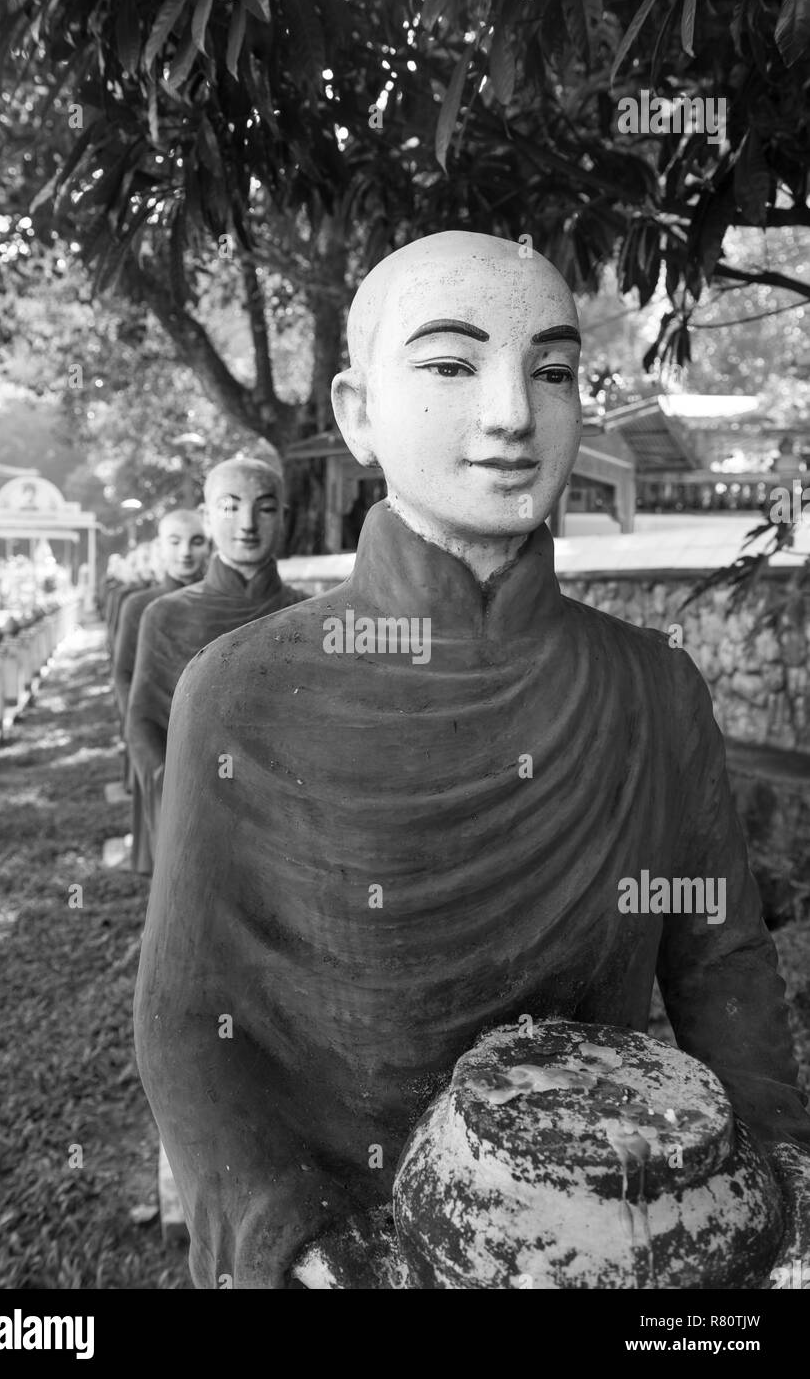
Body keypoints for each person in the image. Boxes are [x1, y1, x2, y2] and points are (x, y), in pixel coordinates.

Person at [135, 230, 810, 1290]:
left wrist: (782, 1188)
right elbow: (187, 1021)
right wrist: (305, 1247)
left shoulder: (652, 686)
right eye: (452, 365)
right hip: (354, 1244)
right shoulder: (241, 687)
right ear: (359, 414)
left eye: (551, 371)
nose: (510, 415)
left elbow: (722, 963)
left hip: (610, 1251)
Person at [126, 448, 303, 866]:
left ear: (283, 516)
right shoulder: (167, 615)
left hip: (286, 817)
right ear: (207, 518)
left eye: (264, 509)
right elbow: (143, 721)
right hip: (194, 810)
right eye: (230, 507)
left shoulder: (308, 613)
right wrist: (175, 794)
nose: (246, 525)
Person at [112, 509, 210, 874]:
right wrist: (138, 730)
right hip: (156, 730)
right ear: (160, 548)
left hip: (206, 734)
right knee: (164, 843)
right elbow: (123, 673)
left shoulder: (216, 601)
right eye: (175, 541)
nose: (185, 552)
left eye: (196, 541)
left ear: (208, 546)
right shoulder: (139, 605)